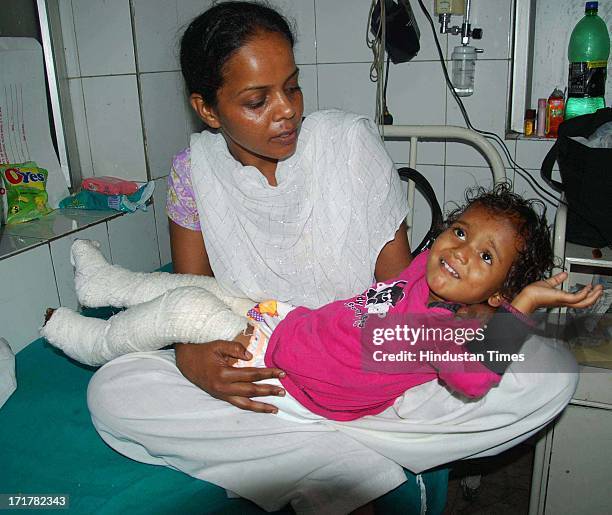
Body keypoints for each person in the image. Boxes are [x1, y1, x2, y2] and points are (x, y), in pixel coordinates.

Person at [82, 2, 585, 513]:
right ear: (208, 109)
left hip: (376, 371)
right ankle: (347, 465)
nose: (286, 111)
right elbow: (187, 294)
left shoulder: (349, 142)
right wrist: (193, 359)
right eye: (258, 100)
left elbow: (399, 286)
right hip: (267, 367)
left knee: (551, 371)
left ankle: (312, 453)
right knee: (114, 389)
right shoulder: (195, 174)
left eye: (293, 87)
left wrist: (469, 323)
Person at [42, 185, 602, 423]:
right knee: (205, 288)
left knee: (185, 306)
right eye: (459, 232)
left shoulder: (436, 332)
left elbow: (477, 381)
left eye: (485, 258)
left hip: (286, 368)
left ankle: (93, 342)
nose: (458, 253)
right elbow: (422, 249)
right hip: (286, 320)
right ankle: (105, 285)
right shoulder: (421, 278)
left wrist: (523, 304)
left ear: (497, 293)